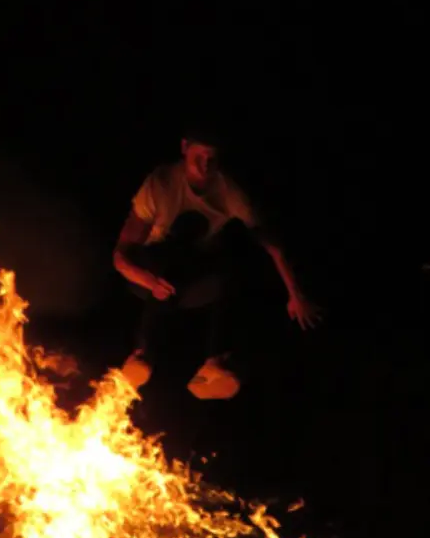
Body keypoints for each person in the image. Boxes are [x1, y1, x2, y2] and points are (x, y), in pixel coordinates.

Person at [113, 124, 320, 399]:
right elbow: (120, 256)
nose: (205, 165)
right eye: (199, 156)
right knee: (170, 259)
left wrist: (295, 294)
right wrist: (150, 282)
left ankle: (213, 365)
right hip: (149, 268)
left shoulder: (229, 191)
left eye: (212, 157)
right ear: (185, 148)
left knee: (232, 266)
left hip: (193, 269)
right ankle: (141, 355)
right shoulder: (161, 184)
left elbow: (272, 245)